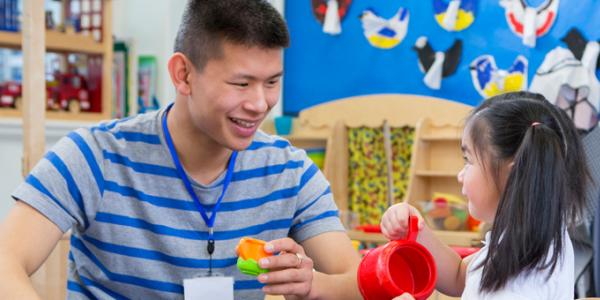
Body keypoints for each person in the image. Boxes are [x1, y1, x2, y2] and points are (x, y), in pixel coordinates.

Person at [0, 1, 361, 299]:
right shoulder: (95, 156)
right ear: (183, 75)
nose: (260, 103)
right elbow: (5, 261)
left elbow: (358, 282)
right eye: (241, 83)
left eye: (272, 82)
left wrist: (314, 284)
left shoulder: (290, 173)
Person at [381, 92, 589, 299]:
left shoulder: (523, 277)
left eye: (468, 160)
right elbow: (459, 275)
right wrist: (418, 233)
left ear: (512, 174)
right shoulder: (528, 239)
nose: (460, 175)